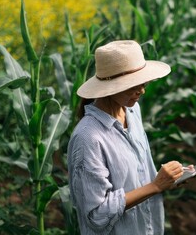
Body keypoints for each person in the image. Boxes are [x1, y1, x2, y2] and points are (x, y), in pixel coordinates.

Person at [67, 40, 189, 235]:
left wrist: (168, 179)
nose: (142, 90)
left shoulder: (132, 111)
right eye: (133, 84)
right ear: (110, 86)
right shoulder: (88, 137)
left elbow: (136, 176)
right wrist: (155, 186)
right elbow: (96, 215)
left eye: (144, 82)